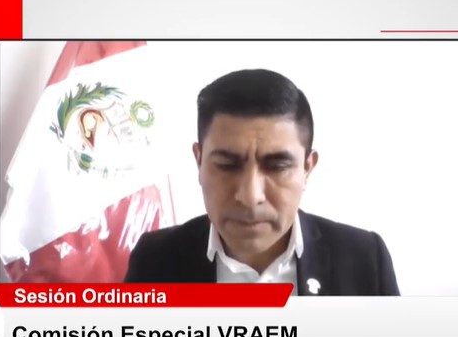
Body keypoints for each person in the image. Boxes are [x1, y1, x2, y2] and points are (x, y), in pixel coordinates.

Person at [124, 69, 400, 295]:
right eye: (227, 165)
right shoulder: (155, 260)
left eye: (277, 166)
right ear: (199, 161)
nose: (250, 195)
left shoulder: (364, 259)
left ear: (307, 168)